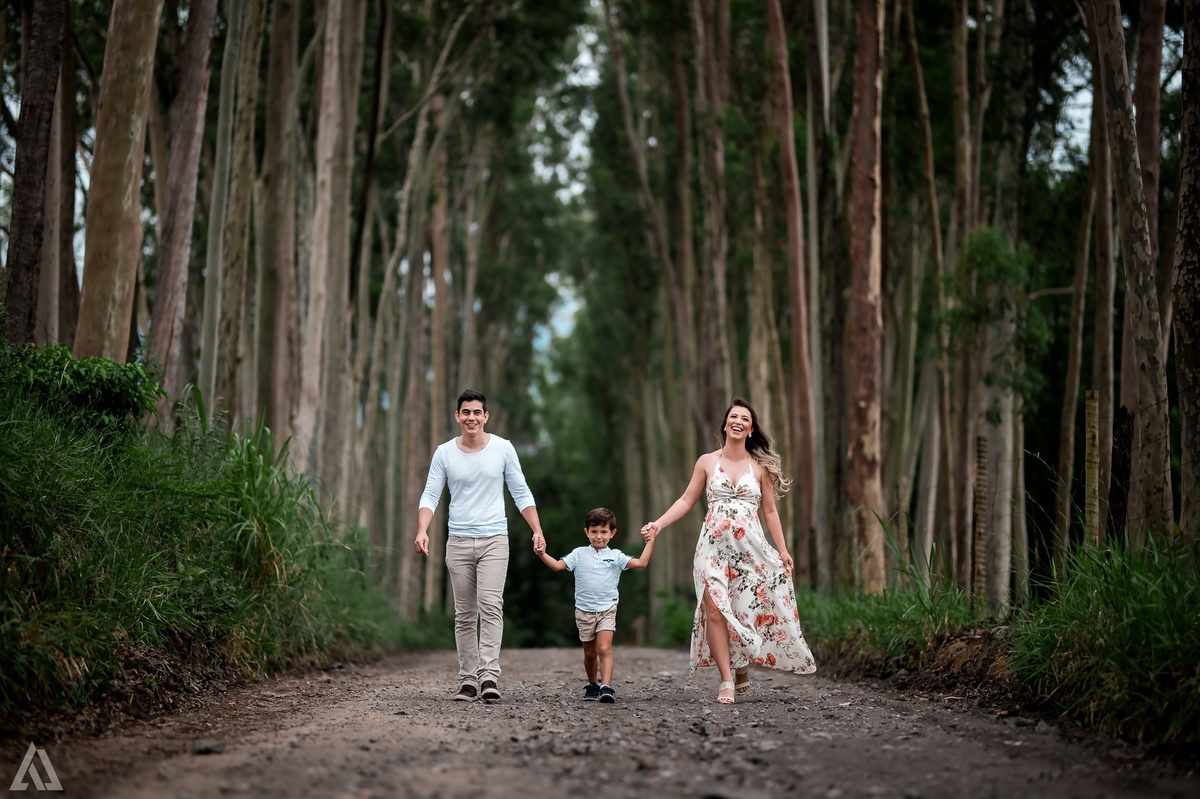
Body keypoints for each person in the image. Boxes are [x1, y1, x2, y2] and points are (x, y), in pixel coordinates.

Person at [641, 397, 816, 704]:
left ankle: (741, 662)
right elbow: (686, 500)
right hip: (712, 550)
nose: (738, 421)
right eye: (733, 416)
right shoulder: (707, 462)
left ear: (751, 430)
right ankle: (726, 680)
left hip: (751, 552)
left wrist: (783, 550)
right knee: (714, 610)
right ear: (725, 424)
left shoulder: (760, 468)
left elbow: (771, 513)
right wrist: (658, 524)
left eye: (745, 419)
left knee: (744, 613)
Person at [414, 389, 546, 702]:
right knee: (464, 614)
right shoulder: (445, 452)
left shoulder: (503, 449)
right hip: (457, 542)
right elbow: (430, 495)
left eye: (477, 412)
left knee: (491, 605)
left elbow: (520, 492)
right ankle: (468, 681)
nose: (471, 417)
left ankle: (488, 677)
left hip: (494, 540)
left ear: (485, 417)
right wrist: (422, 529)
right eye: (465, 412)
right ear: (457, 417)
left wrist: (537, 530)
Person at [534, 508, 657, 704]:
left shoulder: (616, 556)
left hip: (607, 608)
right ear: (587, 532)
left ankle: (606, 686)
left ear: (612, 533)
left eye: (603, 532)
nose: (598, 537)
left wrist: (650, 541)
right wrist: (542, 554)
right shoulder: (579, 554)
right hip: (583, 610)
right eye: (594, 532)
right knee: (590, 654)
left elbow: (641, 563)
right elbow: (558, 566)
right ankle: (593, 684)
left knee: (604, 648)